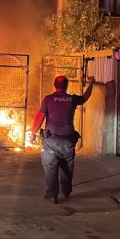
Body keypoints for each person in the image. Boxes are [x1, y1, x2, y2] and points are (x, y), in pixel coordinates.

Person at [28, 75, 95, 204]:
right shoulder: (72, 99)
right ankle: (66, 191)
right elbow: (86, 97)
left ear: (55, 85)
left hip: (51, 141)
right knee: (67, 167)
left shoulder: (48, 99)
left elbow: (40, 116)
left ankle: (53, 194)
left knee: (50, 167)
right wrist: (91, 83)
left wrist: (32, 133)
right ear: (66, 86)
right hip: (68, 140)